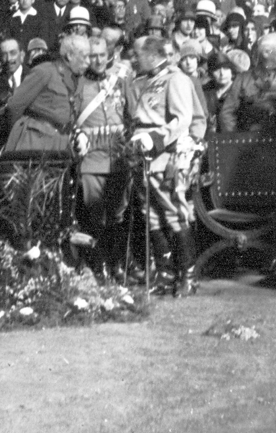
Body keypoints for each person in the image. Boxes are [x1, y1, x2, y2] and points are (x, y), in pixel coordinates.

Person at [125, 35, 198, 296]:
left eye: (138, 55)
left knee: (173, 213)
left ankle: (188, 275)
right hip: (144, 157)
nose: (134, 59)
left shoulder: (176, 79)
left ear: (154, 56)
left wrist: (155, 138)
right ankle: (166, 273)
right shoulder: (146, 82)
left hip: (164, 155)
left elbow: (182, 120)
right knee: (152, 216)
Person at [71, 35, 131, 280]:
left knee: (117, 213)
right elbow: (71, 116)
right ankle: (99, 265)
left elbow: (132, 113)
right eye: (91, 56)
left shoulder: (121, 81)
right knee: (95, 213)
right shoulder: (78, 83)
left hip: (118, 156)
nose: (96, 60)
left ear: (109, 56)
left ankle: (116, 264)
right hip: (92, 157)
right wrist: (78, 136)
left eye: (101, 55)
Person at [4, 33, 89, 153]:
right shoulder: (44, 71)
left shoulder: (78, 81)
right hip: (34, 142)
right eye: (84, 57)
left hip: (60, 143)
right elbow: (14, 106)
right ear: (70, 55)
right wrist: (17, 134)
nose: (88, 62)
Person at [218, 32, 276, 134]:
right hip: (249, 143)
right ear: (266, 53)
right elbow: (227, 113)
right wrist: (236, 140)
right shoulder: (244, 79)